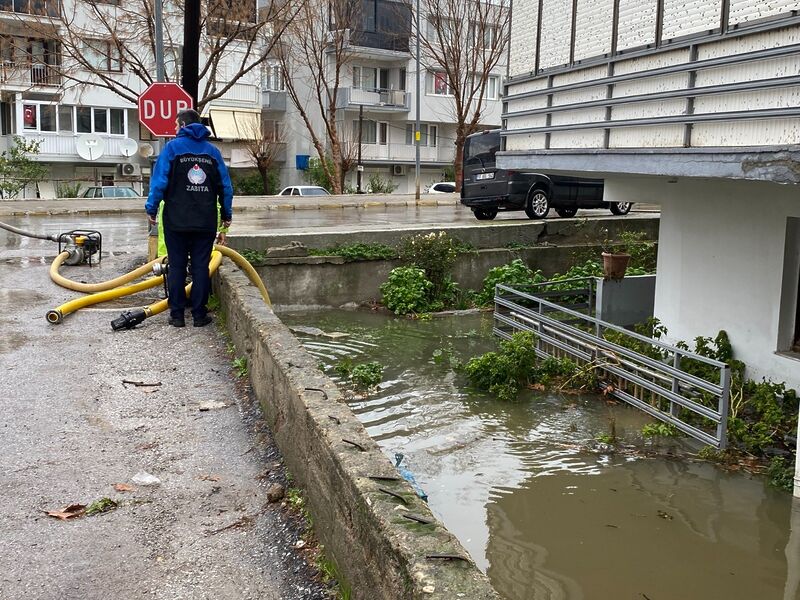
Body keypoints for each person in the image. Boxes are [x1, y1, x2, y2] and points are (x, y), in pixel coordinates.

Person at [145, 109, 233, 328]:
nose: (175, 129)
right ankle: (199, 315)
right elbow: (226, 187)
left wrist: (152, 208)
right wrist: (227, 215)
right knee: (201, 266)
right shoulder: (213, 152)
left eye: (176, 125)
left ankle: (177, 316)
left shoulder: (172, 149)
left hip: (176, 219)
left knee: (176, 266)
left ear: (183, 125)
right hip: (205, 220)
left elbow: (159, 182)